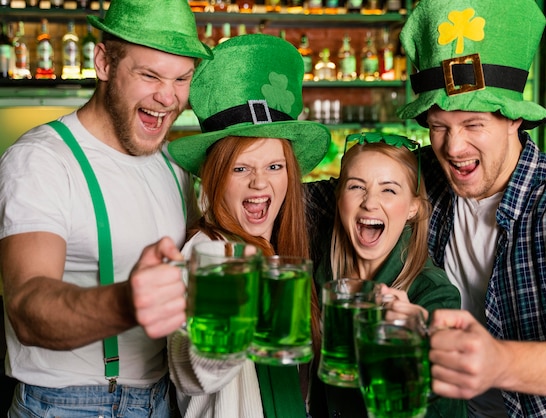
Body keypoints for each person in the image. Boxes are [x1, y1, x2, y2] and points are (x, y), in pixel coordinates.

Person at [307, 0, 546, 416]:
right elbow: (318, 199)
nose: (453, 148)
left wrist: (498, 363)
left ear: (514, 119)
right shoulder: (422, 179)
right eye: (439, 127)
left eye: (474, 125)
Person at [0, 0, 212, 415]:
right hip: (71, 404)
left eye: (182, 78)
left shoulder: (174, 166)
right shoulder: (41, 160)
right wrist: (126, 303)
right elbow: (27, 305)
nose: (168, 97)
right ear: (103, 63)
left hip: (164, 398)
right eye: (149, 74)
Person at [165, 33, 331, 418]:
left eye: (275, 167)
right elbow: (190, 372)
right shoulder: (205, 254)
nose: (260, 183)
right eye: (241, 168)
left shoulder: (289, 247)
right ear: (216, 177)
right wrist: (231, 314)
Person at [308, 133, 466, 418]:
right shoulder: (320, 267)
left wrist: (416, 346)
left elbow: (447, 409)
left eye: (389, 190)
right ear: (339, 197)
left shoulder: (433, 294)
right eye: (356, 187)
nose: (370, 203)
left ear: (413, 208)